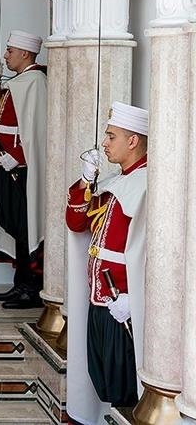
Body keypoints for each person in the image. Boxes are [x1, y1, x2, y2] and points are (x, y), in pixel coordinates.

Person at [65, 102, 148, 424]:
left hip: (123, 303)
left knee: (125, 387)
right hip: (100, 299)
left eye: (112, 136)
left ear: (133, 141)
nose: (104, 143)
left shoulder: (147, 183)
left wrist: (131, 297)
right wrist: (86, 181)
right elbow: (76, 223)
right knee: (105, 380)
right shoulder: (117, 181)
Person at [0, 30, 47, 309]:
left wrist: (19, 158)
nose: (6, 55)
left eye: (10, 51)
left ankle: (30, 287)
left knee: (24, 226)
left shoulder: (36, 82)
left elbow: (38, 129)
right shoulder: (17, 82)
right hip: (5, 164)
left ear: (25, 53)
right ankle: (20, 283)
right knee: (11, 223)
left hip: (20, 167)